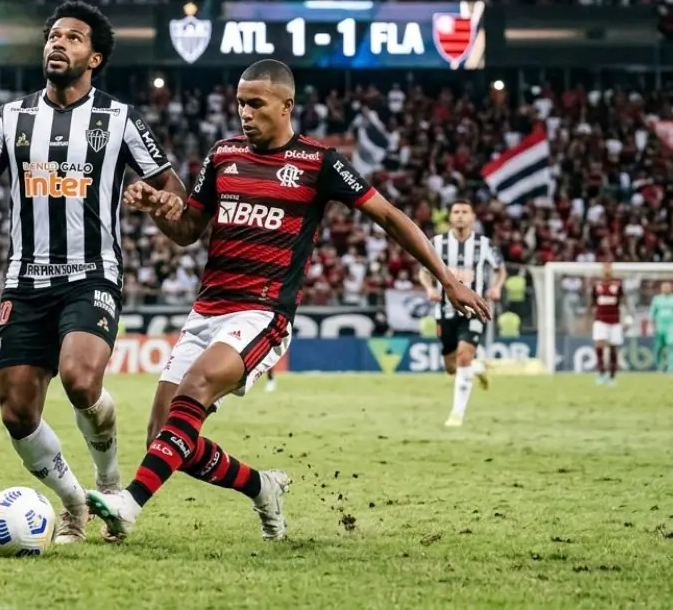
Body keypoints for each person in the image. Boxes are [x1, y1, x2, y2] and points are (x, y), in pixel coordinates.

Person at [86, 59, 491, 542]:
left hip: (263, 312)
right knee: (164, 439)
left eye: (255, 103)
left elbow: (388, 215)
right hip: (207, 310)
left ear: (286, 105)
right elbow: (188, 231)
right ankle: (263, 488)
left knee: (194, 389)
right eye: (239, 103)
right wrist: (157, 208)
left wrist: (445, 277)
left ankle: (128, 505)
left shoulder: (319, 162)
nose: (245, 113)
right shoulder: (223, 155)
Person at [0, 1, 185, 544]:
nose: (57, 44)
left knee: (80, 378)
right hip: (25, 279)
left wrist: (154, 198)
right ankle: (73, 504)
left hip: (92, 272)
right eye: (52, 37)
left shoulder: (120, 119)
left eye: (71, 37)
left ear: (95, 57)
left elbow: (174, 190)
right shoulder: (10, 118)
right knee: (17, 411)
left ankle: (111, 485)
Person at [420, 201, 504, 427]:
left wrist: (496, 287)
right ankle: (478, 368)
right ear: (449, 217)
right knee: (451, 367)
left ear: (473, 217)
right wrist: (429, 289)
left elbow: (500, 269)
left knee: (464, 356)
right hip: (445, 309)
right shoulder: (437, 243)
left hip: (474, 309)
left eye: (464, 212)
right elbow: (423, 271)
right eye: (456, 212)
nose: (460, 216)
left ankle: (456, 414)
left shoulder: (483, 244)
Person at [590, 260, 625, 385]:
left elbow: (622, 300)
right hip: (600, 319)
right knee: (599, 344)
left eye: (609, 268)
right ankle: (601, 373)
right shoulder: (597, 284)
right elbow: (593, 301)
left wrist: (625, 316)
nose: (607, 270)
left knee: (613, 347)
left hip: (615, 320)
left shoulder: (618, 284)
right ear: (602, 270)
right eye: (605, 268)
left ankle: (612, 376)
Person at [650, 281, 673, 373]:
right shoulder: (657, 299)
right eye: (664, 287)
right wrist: (653, 326)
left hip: (671, 327)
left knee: (671, 346)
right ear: (661, 289)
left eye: (668, 287)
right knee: (659, 347)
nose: (666, 288)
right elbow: (652, 314)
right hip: (660, 326)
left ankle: (671, 368)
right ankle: (660, 366)